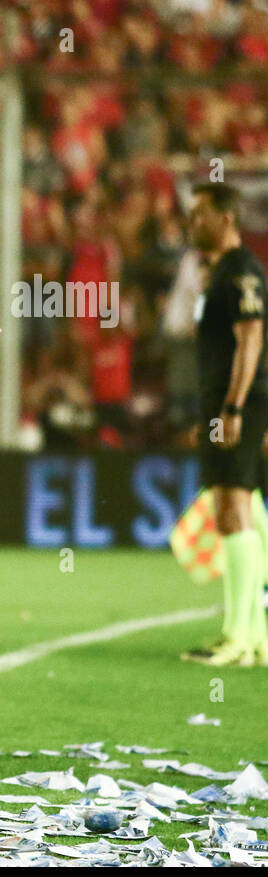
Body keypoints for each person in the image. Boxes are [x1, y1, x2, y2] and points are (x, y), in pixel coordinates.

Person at [180, 183, 268, 666]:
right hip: (230, 403)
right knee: (248, 507)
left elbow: (251, 338)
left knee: (232, 509)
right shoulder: (223, 273)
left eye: (200, 214)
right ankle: (255, 635)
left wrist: (233, 408)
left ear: (226, 218)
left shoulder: (239, 271)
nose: (192, 223)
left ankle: (237, 636)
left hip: (238, 404)